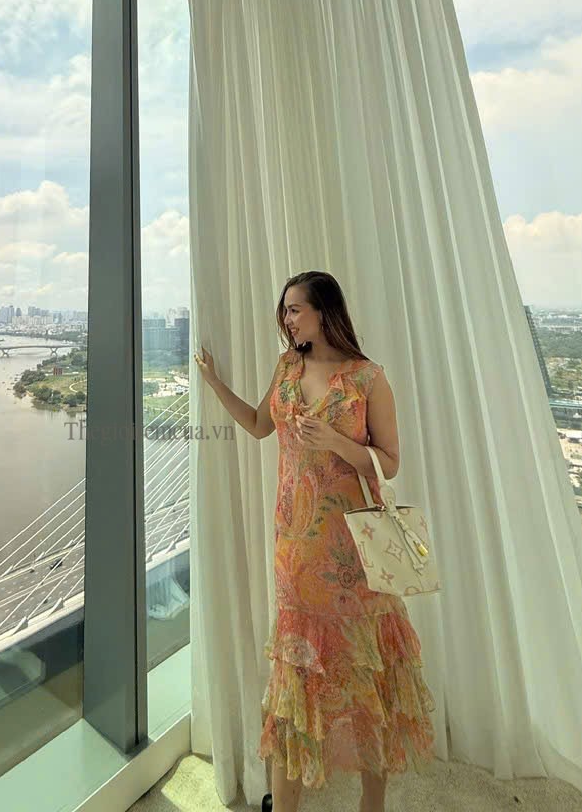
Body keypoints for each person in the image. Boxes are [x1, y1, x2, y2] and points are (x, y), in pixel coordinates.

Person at [194, 271, 435, 812]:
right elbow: (259, 425)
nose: (286, 320)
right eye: (284, 310)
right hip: (295, 549)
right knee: (295, 681)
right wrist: (213, 383)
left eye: (295, 309)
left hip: (354, 553)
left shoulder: (368, 378)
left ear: (325, 312)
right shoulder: (288, 367)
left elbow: (390, 464)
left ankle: (371, 805)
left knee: (368, 677)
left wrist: (336, 441)